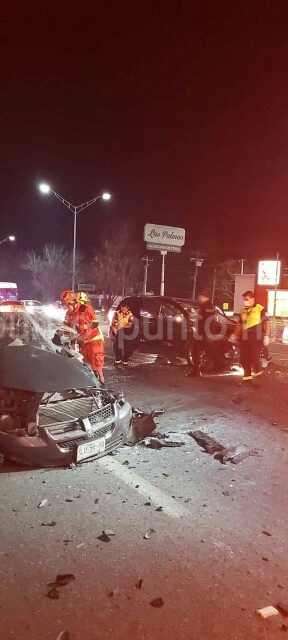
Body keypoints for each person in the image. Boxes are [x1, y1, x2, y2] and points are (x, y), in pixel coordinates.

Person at [230, 290, 270, 382]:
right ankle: (247, 379)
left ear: (252, 299)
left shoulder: (260, 309)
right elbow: (240, 324)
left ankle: (258, 371)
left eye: (247, 299)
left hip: (256, 336)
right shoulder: (243, 310)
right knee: (244, 359)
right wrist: (234, 335)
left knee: (254, 357)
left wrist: (266, 335)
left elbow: (267, 322)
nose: (245, 301)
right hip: (245, 337)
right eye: (244, 300)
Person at [188, 288, 215, 377]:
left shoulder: (208, 306)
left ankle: (197, 370)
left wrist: (208, 333)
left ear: (203, 296)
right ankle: (197, 370)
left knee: (196, 350)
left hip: (204, 333)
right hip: (203, 332)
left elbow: (208, 321)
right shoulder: (206, 305)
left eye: (199, 296)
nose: (198, 298)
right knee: (197, 350)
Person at [110, 302, 135, 367]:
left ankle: (125, 360)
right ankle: (118, 360)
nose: (123, 310)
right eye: (122, 309)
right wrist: (115, 327)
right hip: (118, 331)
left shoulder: (130, 315)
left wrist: (121, 326)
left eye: (125, 309)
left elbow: (129, 325)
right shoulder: (116, 313)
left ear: (127, 309)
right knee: (117, 346)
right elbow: (113, 323)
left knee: (128, 348)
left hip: (127, 332)